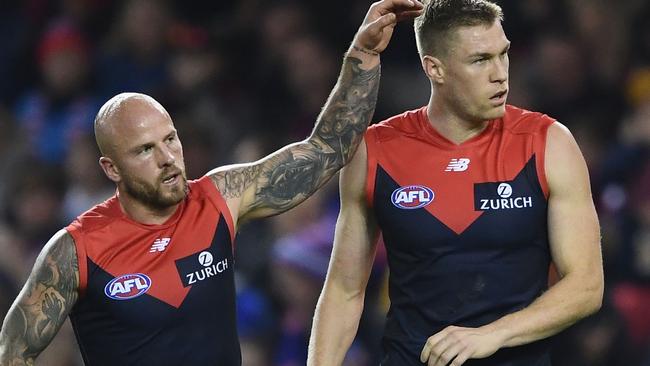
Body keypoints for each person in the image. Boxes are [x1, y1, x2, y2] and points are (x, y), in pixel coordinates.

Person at [0, 1, 425, 365]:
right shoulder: (77, 250)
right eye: (145, 150)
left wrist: (362, 58)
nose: (168, 159)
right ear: (111, 169)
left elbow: (328, 149)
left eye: (170, 140)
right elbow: (13, 350)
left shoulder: (221, 198)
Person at [308, 1, 604, 365]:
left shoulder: (547, 143)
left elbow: (587, 285)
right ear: (435, 68)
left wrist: (492, 334)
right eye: (480, 60)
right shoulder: (375, 151)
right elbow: (344, 289)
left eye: (504, 54)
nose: (500, 74)